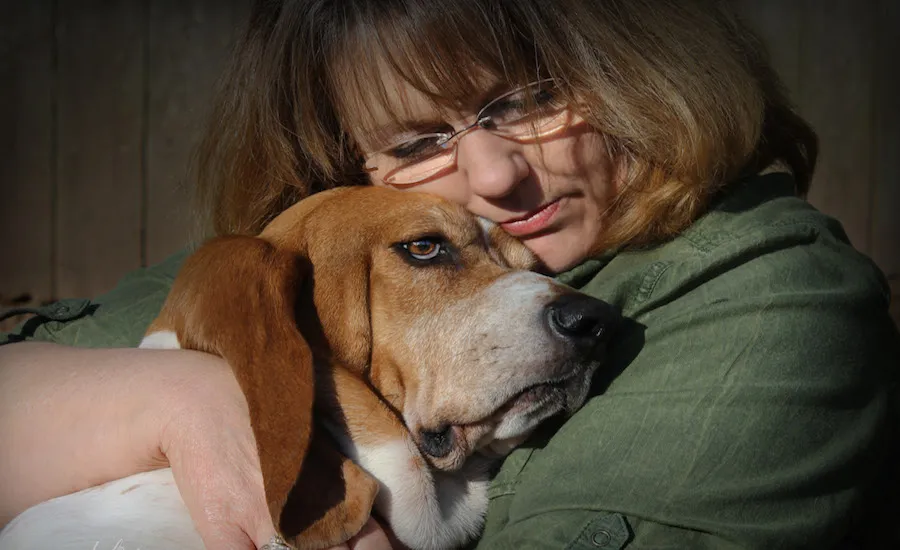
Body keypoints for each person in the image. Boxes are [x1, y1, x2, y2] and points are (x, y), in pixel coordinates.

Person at [2, 0, 898, 548]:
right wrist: (185, 397)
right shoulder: (308, 254)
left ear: (638, 70)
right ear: (355, 168)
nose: (495, 179)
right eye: (418, 143)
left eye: (534, 98)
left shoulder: (772, 298)